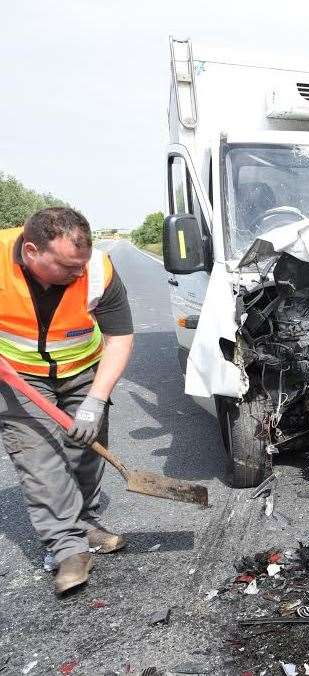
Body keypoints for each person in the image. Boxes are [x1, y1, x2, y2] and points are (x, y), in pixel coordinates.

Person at [0, 207, 134, 594]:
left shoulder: (97, 271)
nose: (78, 274)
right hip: (19, 375)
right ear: (31, 251)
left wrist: (96, 399)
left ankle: (86, 523)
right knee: (40, 460)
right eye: (66, 267)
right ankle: (66, 548)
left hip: (82, 369)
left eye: (82, 265)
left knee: (85, 452)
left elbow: (120, 338)